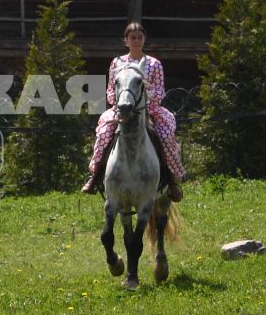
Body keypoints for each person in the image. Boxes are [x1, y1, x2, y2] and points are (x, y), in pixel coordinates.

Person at [80, 21, 186, 200]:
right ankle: (95, 175)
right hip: (121, 108)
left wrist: (146, 91)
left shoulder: (154, 64)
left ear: (144, 39)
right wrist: (119, 103)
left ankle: (172, 179)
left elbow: (160, 91)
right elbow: (110, 90)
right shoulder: (117, 63)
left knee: (166, 134)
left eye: (139, 37)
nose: (136, 41)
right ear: (126, 40)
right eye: (132, 37)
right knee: (104, 133)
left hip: (149, 109)